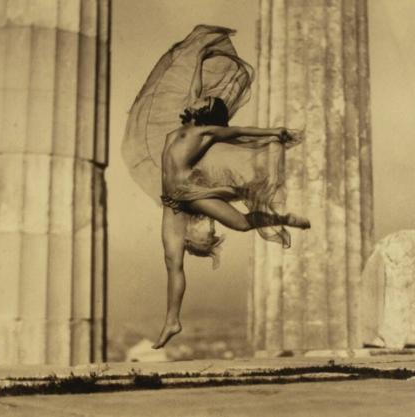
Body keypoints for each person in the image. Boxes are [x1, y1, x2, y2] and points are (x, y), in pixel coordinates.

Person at [122, 25, 310, 349]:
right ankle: (173, 320)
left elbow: (239, 130)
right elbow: (194, 89)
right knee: (172, 261)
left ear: (206, 114)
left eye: (203, 101)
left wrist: (274, 132)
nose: (197, 100)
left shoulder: (204, 134)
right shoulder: (184, 126)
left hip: (190, 194)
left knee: (239, 223)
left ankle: (283, 219)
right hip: (172, 200)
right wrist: (199, 55)